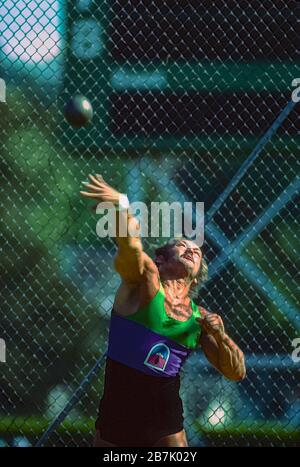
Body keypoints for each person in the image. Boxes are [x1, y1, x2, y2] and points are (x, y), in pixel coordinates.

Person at [80, 174, 246, 447]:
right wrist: (121, 206)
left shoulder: (199, 319)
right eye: (182, 245)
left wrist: (222, 336)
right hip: (116, 421)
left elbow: (236, 372)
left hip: (165, 428)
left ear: (197, 274)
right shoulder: (144, 282)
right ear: (161, 258)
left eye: (196, 250)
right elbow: (130, 247)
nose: (191, 249)